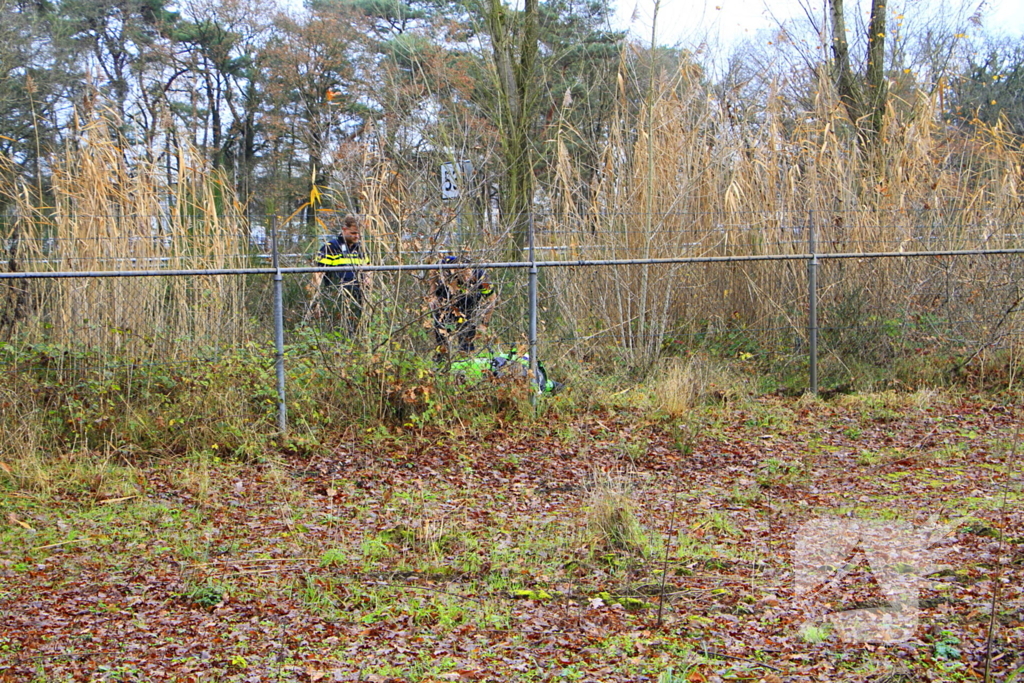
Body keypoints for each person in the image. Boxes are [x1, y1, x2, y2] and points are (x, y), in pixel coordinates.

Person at [429, 256, 497, 357]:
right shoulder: (447, 265)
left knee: (467, 337)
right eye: (462, 275)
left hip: (468, 303)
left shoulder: (481, 277)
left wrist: (484, 324)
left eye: (467, 274)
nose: (465, 278)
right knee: (441, 334)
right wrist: (432, 293)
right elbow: (433, 269)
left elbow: (492, 300)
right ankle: (441, 359)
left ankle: (466, 357)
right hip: (446, 300)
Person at [311, 214, 369, 334]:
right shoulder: (330, 247)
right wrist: (315, 302)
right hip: (336, 299)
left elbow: (368, 269)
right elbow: (318, 275)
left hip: (359, 297)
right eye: (353, 233)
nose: (357, 236)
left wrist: (368, 280)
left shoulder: (361, 248)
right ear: (344, 229)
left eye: (359, 233)